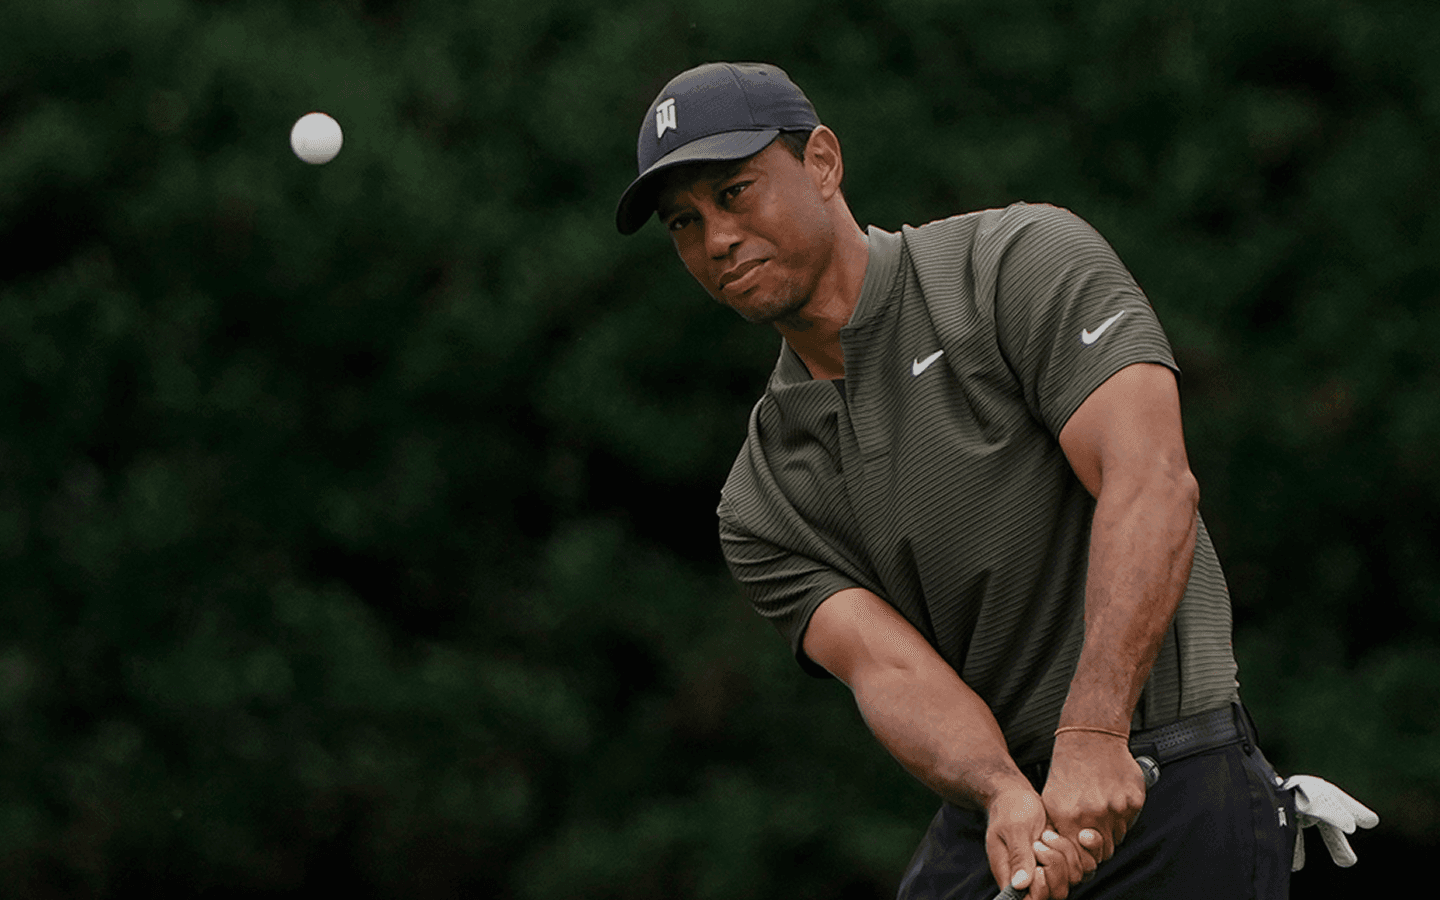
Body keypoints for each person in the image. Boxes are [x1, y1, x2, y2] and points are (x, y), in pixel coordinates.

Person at [614, 61, 1334, 899]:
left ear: (821, 162)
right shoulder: (763, 498)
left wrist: (1096, 733)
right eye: (683, 224)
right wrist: (1002, 794)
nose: (716, 240)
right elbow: (895, 675)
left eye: (735, 193)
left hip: (1170, 768)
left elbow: (1152, 485)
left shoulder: (1014, 265)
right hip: (1003, 811)